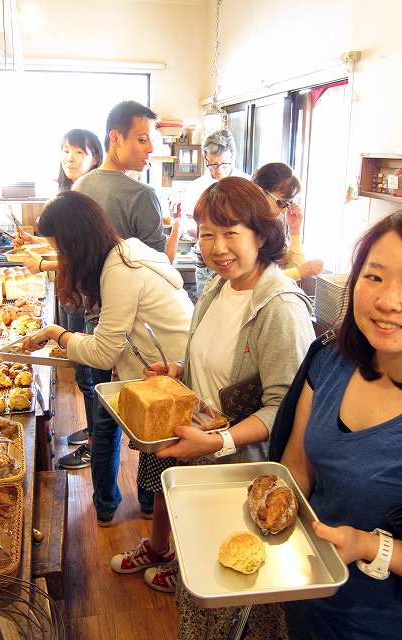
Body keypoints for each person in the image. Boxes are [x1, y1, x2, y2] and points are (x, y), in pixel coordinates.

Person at [110, 177, 315, 617]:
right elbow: (211, 358)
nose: (216, 247)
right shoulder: (218, 286)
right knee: (198, 551)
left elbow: (288, 406)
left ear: (262, 235)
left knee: (224, 580)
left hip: (239, 463)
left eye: (231, 233)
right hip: (201, 445)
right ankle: (178, 565)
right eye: (206, 234)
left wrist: (218, 442)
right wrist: (181, 371)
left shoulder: (280, 307)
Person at [22, 191, 194, 528]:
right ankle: (137, 506)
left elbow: (103, 352)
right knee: (147, 439)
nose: (62, 257)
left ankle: (121, 510)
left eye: (62, 249)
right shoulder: (123, 250)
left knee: (144, 438)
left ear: (76, 241)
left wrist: (58, 334)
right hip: (165, 362)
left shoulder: (120, 269)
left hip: (170, 369)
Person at [277, 212, 402, 640]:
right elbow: (297, 467)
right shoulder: (331, 358)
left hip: (378, 622)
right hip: (309, 592)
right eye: (375, 277)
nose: (388, 301)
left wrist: (368, 545)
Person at [67, 100, 180, 516]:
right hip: (132, 328)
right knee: (149, 412)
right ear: (116, 138)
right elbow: (154, 269)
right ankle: (150, 501)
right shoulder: (142, 195)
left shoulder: (81, 189)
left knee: (100, 415)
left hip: (87, 315)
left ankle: (104, 505)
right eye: (142, 138)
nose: (150, 149)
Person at [22, 129, 104, 469]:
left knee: (89, 373)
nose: (69, 158)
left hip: (89, 298)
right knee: (82, 373)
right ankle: (93, 434)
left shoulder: (89, 196)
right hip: (75, 293)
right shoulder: (69, 193)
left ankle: (98, 443)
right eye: (65, 151)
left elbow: (85, 253)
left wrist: (42, 261)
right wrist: (38, 244)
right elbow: (68, 248)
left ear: (95, 157)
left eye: (78, 152)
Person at [181, 129, 249, 296]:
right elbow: (186, 223)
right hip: (206, 263)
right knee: (205, 311)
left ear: (232, 157)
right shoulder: (197, 187)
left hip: (239, 261)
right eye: (212, 164)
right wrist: (202, 232)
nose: (218, 170)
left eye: (223, 164)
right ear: (205, 158)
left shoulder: (247, 186)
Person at [252, 162, 323, 280]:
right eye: (282, 202)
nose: (284, 211)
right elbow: (250, 280)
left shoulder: (272, 228)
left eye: (288, 203)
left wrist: (294, 230)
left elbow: (296, 266)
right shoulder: (244, 227)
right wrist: (299, 272)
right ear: (260, 192)